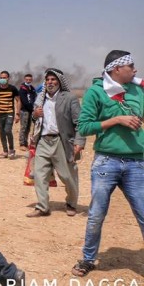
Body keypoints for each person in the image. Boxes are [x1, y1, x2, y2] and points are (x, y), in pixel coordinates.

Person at [71, 50, 144, 278]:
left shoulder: (138, 90)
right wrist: (116, 120)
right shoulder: (96, 92)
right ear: (116, 69)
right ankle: (88, 259)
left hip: (137, 162)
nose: (135, 69)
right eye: (130, 66)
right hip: (106, 162)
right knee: (96, 214)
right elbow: (84, 127)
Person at [27, 68, 84, 218]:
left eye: (53, 80)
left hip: (62, 141)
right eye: (48, 80)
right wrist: (35, 115)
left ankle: (71, 203)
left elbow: (79, 122)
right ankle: (42, 207)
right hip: (43, 141)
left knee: (67, 176)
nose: (50, 82)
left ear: (59, 81)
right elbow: (35, 120)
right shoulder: (40, 98)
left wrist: (79, 141)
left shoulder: (69, 98)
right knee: (39, 175)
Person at [0, 70, 21, 159]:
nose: (2, 79)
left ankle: (11, 150)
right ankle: (5, 151)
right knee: (2, 132)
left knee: (7, 130)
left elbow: (18, 101)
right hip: (0, 114)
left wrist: (18, 114)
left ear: (8, 78)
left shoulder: (13, 89)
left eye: (4, 78)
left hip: (9, 113)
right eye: (1, 78)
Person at [18, 74, 36, 151]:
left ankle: (26, 143)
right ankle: (22, 143)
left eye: (30, 79)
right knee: (23, 127)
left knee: (28, 128)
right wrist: (32, 108)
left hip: (31, 110)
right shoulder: (22, 89)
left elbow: (34, 98)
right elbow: (24, 101)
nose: (28, 81)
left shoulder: (32, 88)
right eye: (27, 79)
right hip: (24, 110)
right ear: (24, 79)